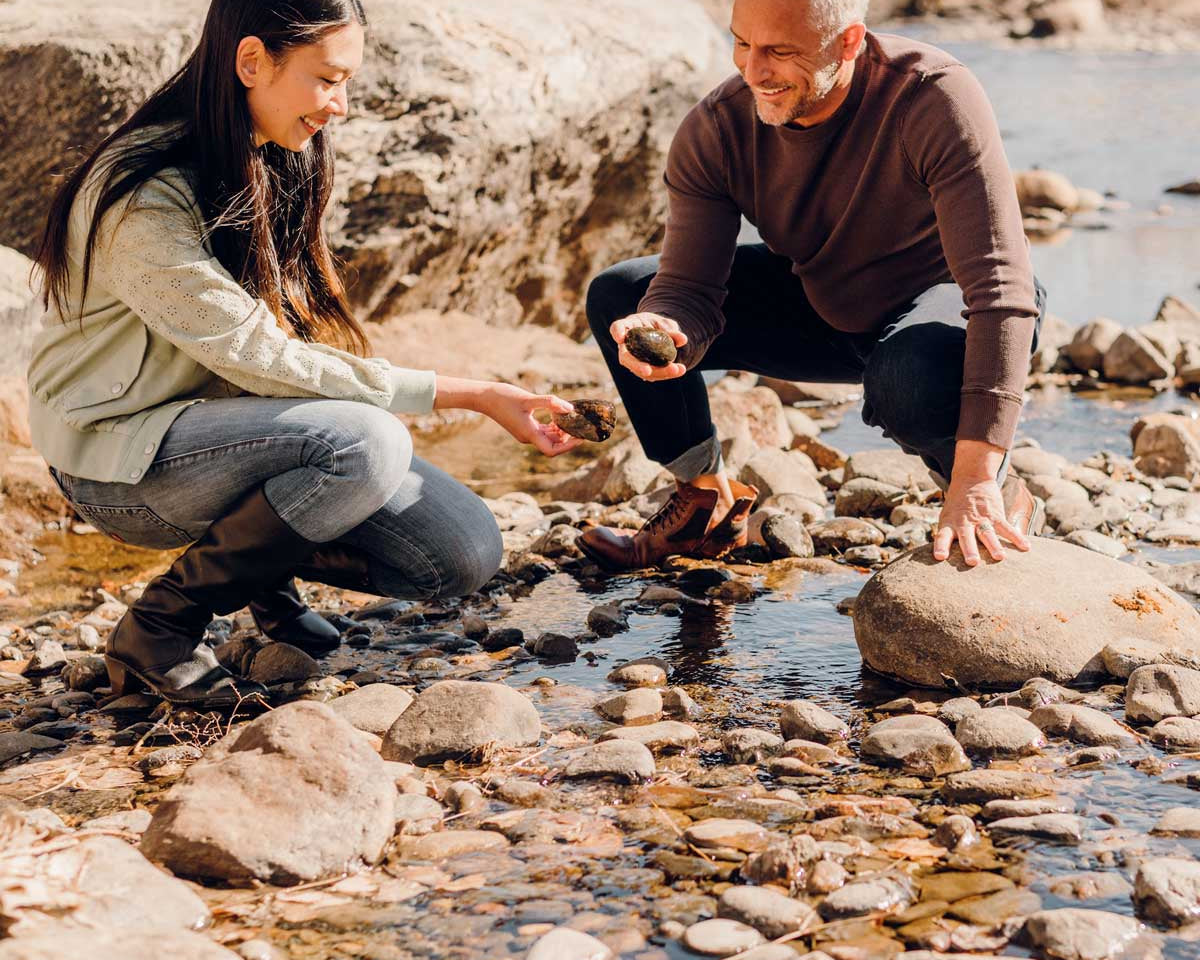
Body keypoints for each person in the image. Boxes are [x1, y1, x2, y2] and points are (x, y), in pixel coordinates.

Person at [27, 0, 580, 708]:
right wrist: (473, 393)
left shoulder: (274, 153)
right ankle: (160, 629)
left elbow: (286, 340)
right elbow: (258, 356)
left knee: (464, 551)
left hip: (221, 436)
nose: (341, 106)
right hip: (115, 460)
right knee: (365, 443)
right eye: (327, 79)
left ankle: (259, 574)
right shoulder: (143, 195)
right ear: (252, 61)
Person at [578, 0, 1046, 573]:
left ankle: (993, 488)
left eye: (779, 51)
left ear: (848, 42)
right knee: (623, 294)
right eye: (742, 43)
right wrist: (665, 326)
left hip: (946, 302)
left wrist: (975, 475)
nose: (753, 71)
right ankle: (706, 503)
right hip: (825, 303)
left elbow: (999, 288)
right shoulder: (718, 127)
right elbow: (688, 288)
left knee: (907, 379)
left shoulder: (931, 96)